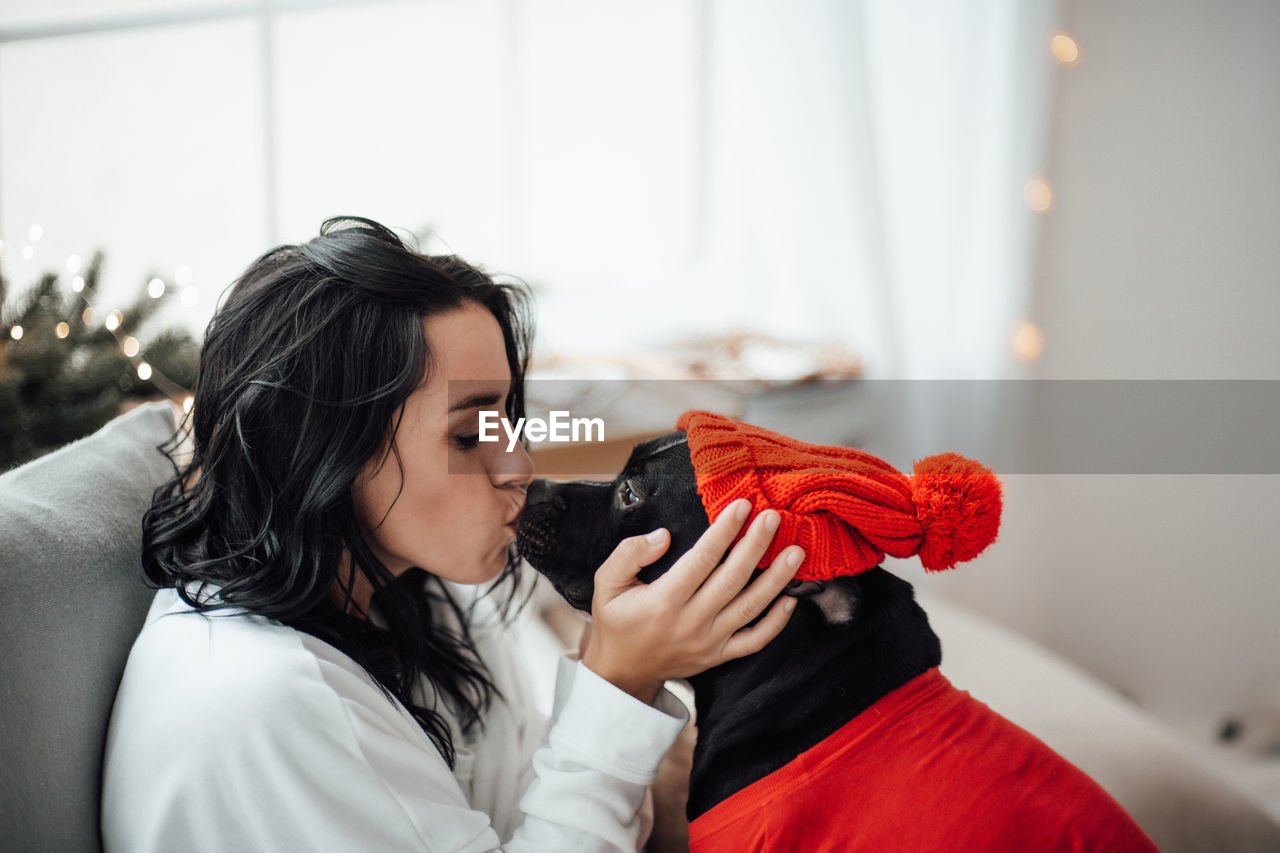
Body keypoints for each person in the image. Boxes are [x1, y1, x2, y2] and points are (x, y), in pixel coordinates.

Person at [101, 217, 806, 852]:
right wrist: (618, 677)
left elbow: (517, 793)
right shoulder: (267, 703)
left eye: (507, 419)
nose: (520, 468)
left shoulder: (406, 586)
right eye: (469, 433)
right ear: (322, 447)